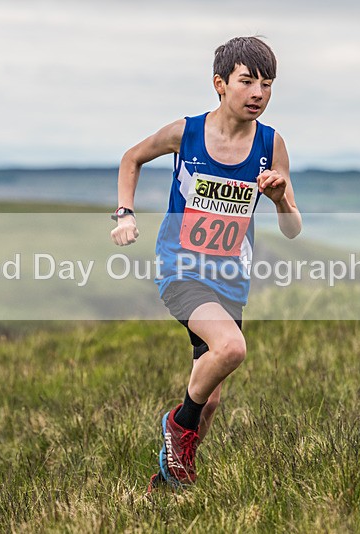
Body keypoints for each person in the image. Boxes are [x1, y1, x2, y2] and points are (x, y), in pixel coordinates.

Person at [110, 36, 301, 490]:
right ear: (220, 84)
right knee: (231, 349)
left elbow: (293, 228)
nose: (258, 93)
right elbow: (131, 158)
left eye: (267, 84)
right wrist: (125, 214)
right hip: (182, 270)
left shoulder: (271, 145)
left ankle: (173, 477)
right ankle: (178, 425)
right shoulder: (187, 133)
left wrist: (279, 200)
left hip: (231, 280)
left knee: (211, 398)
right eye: (247, 81)